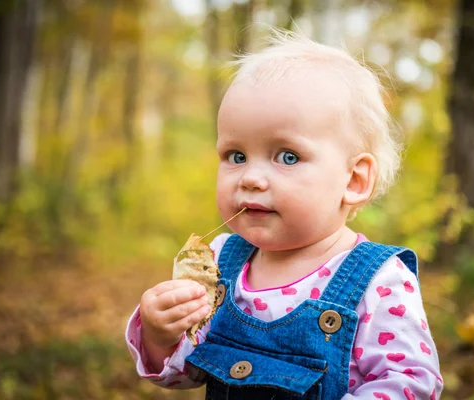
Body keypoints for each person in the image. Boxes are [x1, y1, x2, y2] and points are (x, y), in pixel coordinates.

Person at [126, 30, 443, 399]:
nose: (251, 178)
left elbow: (412, 381)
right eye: (236, 156)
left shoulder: (379, 281)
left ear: (354, 180)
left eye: (287, 156)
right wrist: (160, 335)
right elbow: (189, 372)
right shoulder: (219, 262)